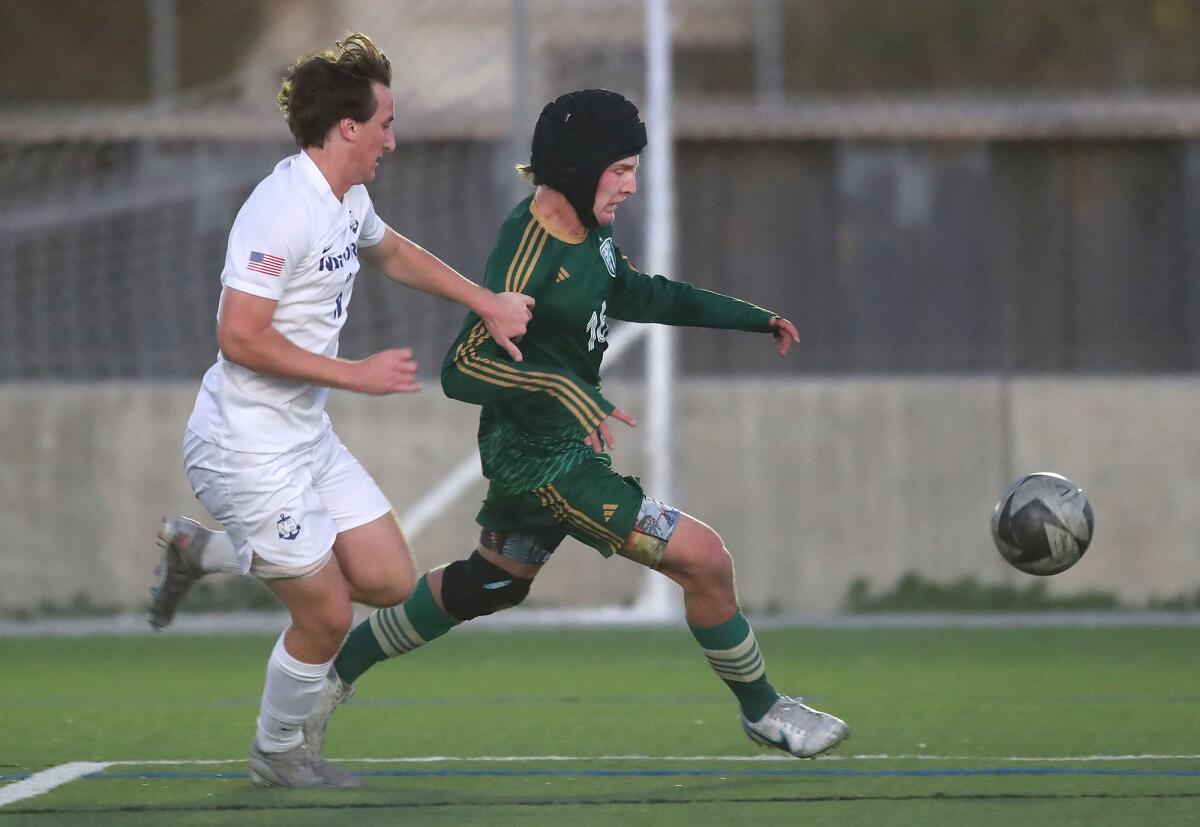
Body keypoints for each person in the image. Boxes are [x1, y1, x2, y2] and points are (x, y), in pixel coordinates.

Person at [308, 89, 850, 763]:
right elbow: (462, 368)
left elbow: (641, 292)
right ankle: (764, 711)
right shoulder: (527, 255)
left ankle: (328, 679)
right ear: (579, 165)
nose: (630, 184)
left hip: (551, 448)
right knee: (705, 559)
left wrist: (750, 316)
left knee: (492, 582)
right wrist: (566, 387)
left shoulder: (588, 234)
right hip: (544, 461)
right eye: (620, 168)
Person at [148, 33, 533, 788]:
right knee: (325, 614)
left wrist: (483, 300)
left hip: (303, 436)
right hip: (245, 446)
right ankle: (278, 752)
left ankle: (203, 551)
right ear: (348, 127)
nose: (395, 137)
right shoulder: (279, 210)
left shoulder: (346, 196)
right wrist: (351, 374)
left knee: (389, 578)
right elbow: (237, 336)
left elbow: (390, 252)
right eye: (386, 121)